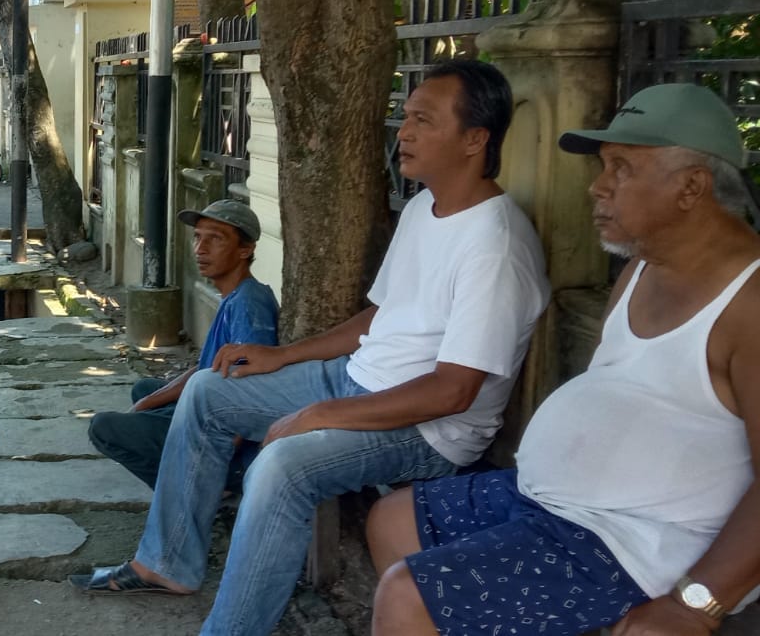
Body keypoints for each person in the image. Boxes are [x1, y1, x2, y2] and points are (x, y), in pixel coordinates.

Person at [68, 59, 551, 636]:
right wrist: (285, 355)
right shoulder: (426, 208)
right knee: (206, 391)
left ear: (476, 139)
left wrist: (321, 414)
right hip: (356, 379)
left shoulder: (495, 246)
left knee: (282, 465)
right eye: (406, 116)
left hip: (427, 430)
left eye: (424, 119)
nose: (404, 131)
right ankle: (166, 562)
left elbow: (454, 391)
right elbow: (381, 314)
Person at [366, 83, 760, 636]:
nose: (598, 187)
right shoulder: (642, 268)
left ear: (692, 186)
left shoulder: (750, 302)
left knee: (408, 598)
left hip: (633, 541)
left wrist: (696, 604)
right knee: (392, 521)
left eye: (621, 168)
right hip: (553, 502)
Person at [87, 199, 278, 489]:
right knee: (145, 390)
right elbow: (205, 367)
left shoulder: (249, 304)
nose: (200, 249)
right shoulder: (234, 295)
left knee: (103, 428)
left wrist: (223, 457)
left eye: (216, 239)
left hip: (222, 439)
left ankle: (194, 490)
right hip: (209, 405)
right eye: (198, 237)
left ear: (245, 250)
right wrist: (148, 403)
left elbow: (251, 391)